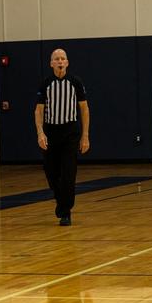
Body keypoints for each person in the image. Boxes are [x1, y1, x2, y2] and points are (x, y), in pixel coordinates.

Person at [34, 48, 90, 226]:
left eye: (62, 58)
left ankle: (65, 212)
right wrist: (40, 133)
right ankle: (61, 201)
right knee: (51, 172)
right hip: (51, 132)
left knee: (68, 174)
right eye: (56, 59)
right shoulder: (46, 83)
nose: (60, 61)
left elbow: (84, 109)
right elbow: (38, 110)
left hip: (70, 132)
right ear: (51, 63)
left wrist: (85, 136)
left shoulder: (75, 82)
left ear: (67, 62)